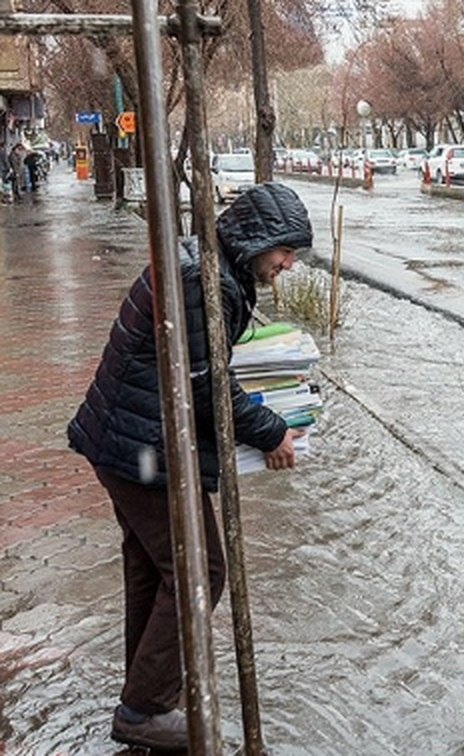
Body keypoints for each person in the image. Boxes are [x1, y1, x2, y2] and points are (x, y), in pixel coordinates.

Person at [67, 182, 313, 751]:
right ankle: (144, 709)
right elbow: (207, 390)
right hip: (143, 448)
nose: (287, 263)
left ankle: (146, 691)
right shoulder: (203, 280)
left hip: (128, 440)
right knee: (202, 570)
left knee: (154, 569)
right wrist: (272, 431)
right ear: (258, 238)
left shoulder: (205, 262)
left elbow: (202, 370)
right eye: (285, 250)